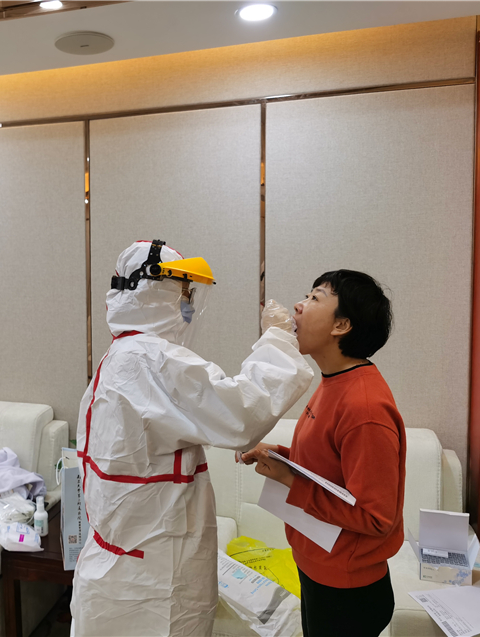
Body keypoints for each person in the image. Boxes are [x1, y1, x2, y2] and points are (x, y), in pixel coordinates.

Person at [70, 239, 314, 636]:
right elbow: (242, 413)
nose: (188, 305)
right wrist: (278, 339)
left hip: (120, 567)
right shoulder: (153, 360)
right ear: (156, 290)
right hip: (155, 577)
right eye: (184, 292)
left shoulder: (122, 356)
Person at [240, 269, 405, 637]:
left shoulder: (364, 407)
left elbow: (376, 516)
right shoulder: (334, 380)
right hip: (317, 566)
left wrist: (289, 479)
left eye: (315, 298)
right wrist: (279, 455)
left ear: (341, 325)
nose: (298, 306)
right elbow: (331, 465)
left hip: (347, 589)